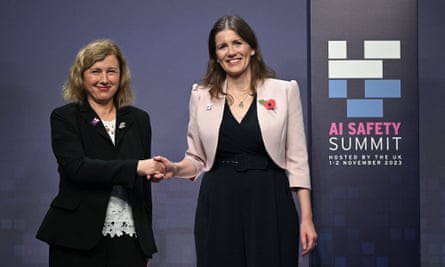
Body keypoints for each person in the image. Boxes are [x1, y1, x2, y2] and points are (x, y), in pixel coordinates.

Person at [154, 15, 317, 267]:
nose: (231, 52)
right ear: (215, 56)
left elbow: (297, 160)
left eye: (237, 43)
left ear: (252, 48)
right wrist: (174, 168)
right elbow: (197, 158)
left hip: (269, 198)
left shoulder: (284, 91)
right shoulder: (201, 96)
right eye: (222, 46)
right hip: (219, 200)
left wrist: (306, 218)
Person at [36, 39, 164, 267]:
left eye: (111, 71)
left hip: (130, 239)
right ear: (81, 77)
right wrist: (135, 167)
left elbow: (143, 189)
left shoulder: (139, 120)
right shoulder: (65, 117)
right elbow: (77, 168)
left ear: (121, 76)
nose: (104, 79)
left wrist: (146, 245)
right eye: (95, 71)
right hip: (75, 238)